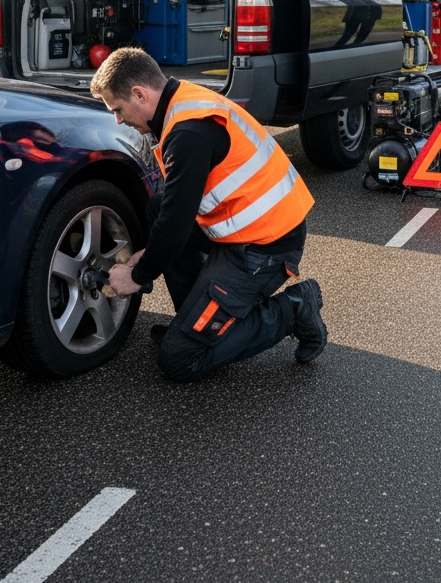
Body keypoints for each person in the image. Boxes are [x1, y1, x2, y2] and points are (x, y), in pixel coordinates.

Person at [90, 47, 326, 381]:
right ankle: (194, 320)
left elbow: (176, 225)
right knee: (158, 208)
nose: (118, 119)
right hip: (244, 225)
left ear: (140, 94)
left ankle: (295, 309)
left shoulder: (188, 133)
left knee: (181, 359)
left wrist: (138, 275)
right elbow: (173, 213)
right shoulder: (181, 102)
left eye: (118, 109)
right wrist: (147, 257)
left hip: (265, 246)